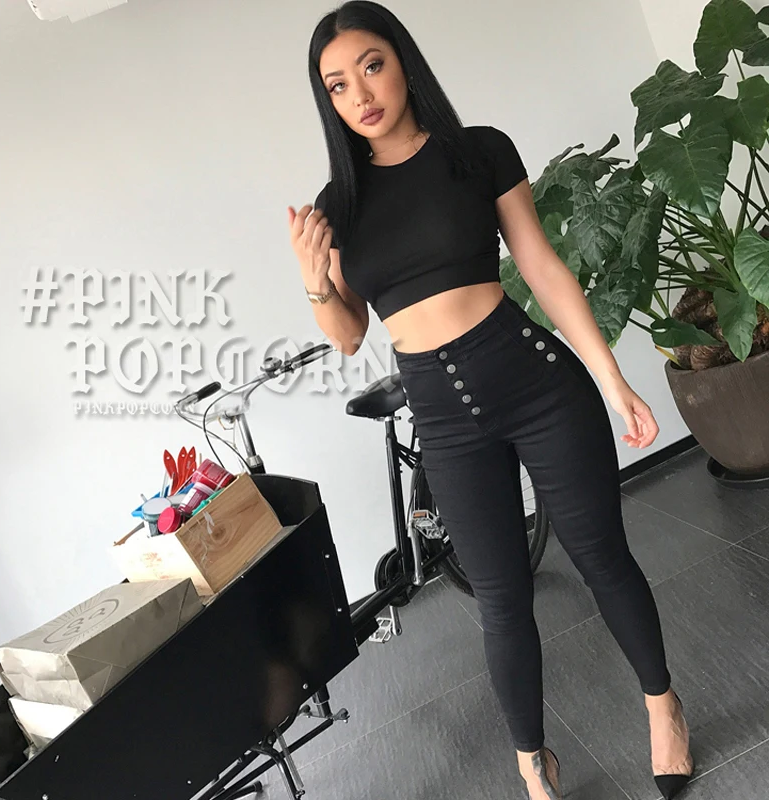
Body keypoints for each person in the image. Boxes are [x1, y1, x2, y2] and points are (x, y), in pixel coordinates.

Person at [287, 3, 694, 798]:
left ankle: (663, 707)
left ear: (402, 62)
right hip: (445, 420)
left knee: (601, 556)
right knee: (502, 600)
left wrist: (611, 379)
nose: (359, 94)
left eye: (371, 66)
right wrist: (313, 280)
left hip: (538, 384)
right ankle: (532, 764)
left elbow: (540, 266)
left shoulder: (477, 152)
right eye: (336, 85)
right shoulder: (339, 206)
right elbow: (348, 334)